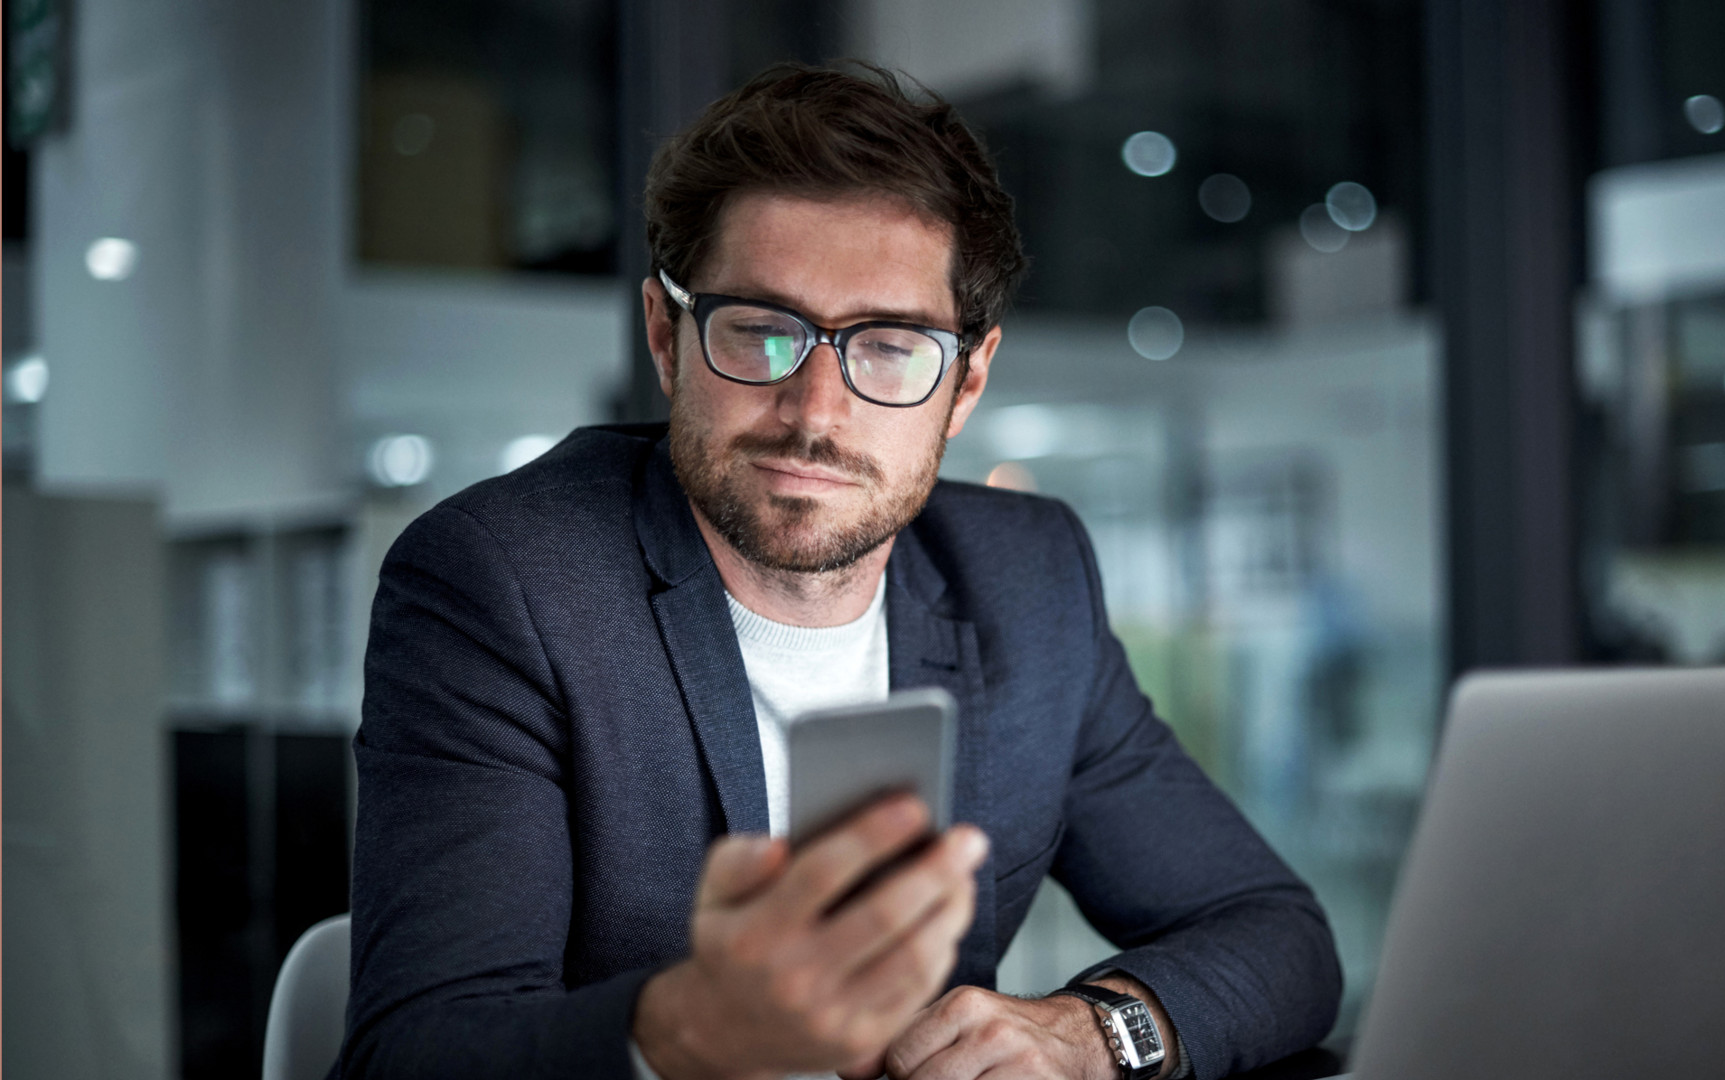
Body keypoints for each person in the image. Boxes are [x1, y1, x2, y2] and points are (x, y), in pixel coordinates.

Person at [341, 63, 1340, 1080]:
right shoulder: (502, 583)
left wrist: (1092, 1035)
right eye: (762, 333)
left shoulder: (1028, 581)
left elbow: (1274, 935)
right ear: (665, 337)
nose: (816, 412)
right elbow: (414, 1053)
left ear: (966, 383)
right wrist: (687, 1032)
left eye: (890, 347)